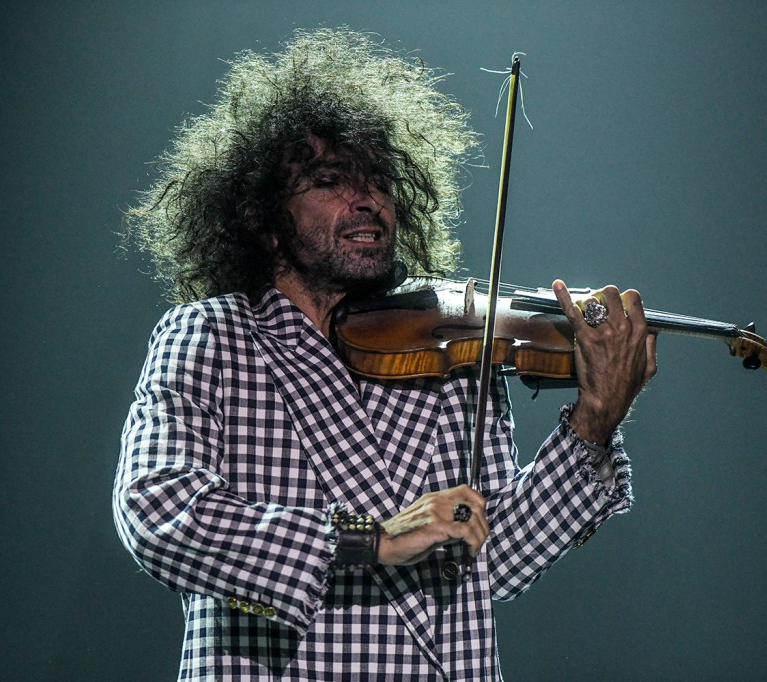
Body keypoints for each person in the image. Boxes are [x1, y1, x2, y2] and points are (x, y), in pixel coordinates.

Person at [114, 28, 656, 681]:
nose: (368, 199)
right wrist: (373, 539)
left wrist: (594, 422)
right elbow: (157, 511)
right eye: (329, 181)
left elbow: (496, 559)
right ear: (263, 218)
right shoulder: (212, 336)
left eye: (379, 180)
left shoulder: (450, 349)